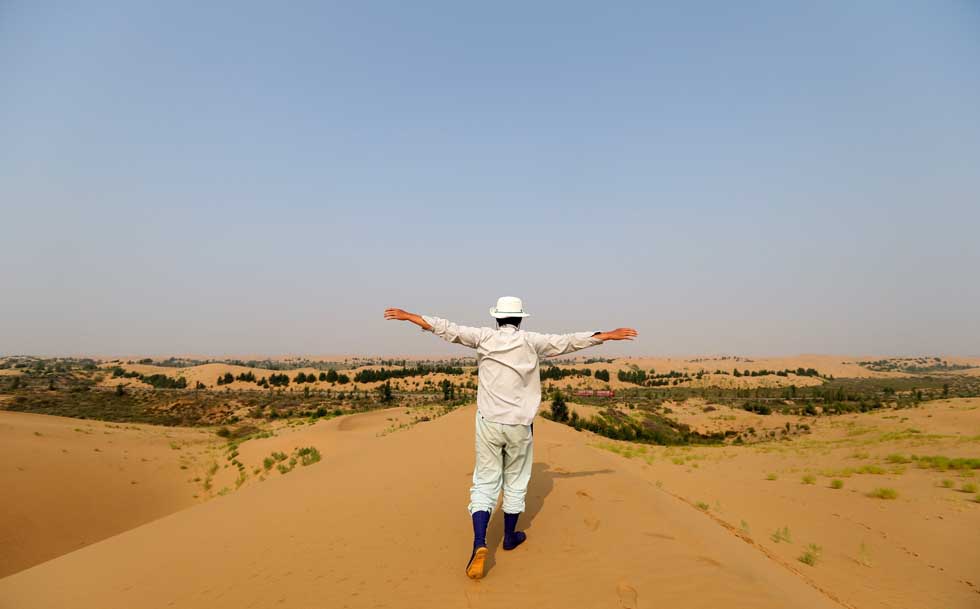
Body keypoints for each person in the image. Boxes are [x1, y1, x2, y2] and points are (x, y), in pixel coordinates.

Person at [384, 296, 638, 579]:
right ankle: (509, 537)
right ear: (520, 319)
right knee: (516, 481)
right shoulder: (532, 341)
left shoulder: (483, 338)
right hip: (519, 425)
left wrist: (410, 316)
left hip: (489, 422)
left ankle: (479, 543)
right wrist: (607, 336)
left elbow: (447, 328)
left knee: (485, 482)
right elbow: (569, 341)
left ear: (497, 318)